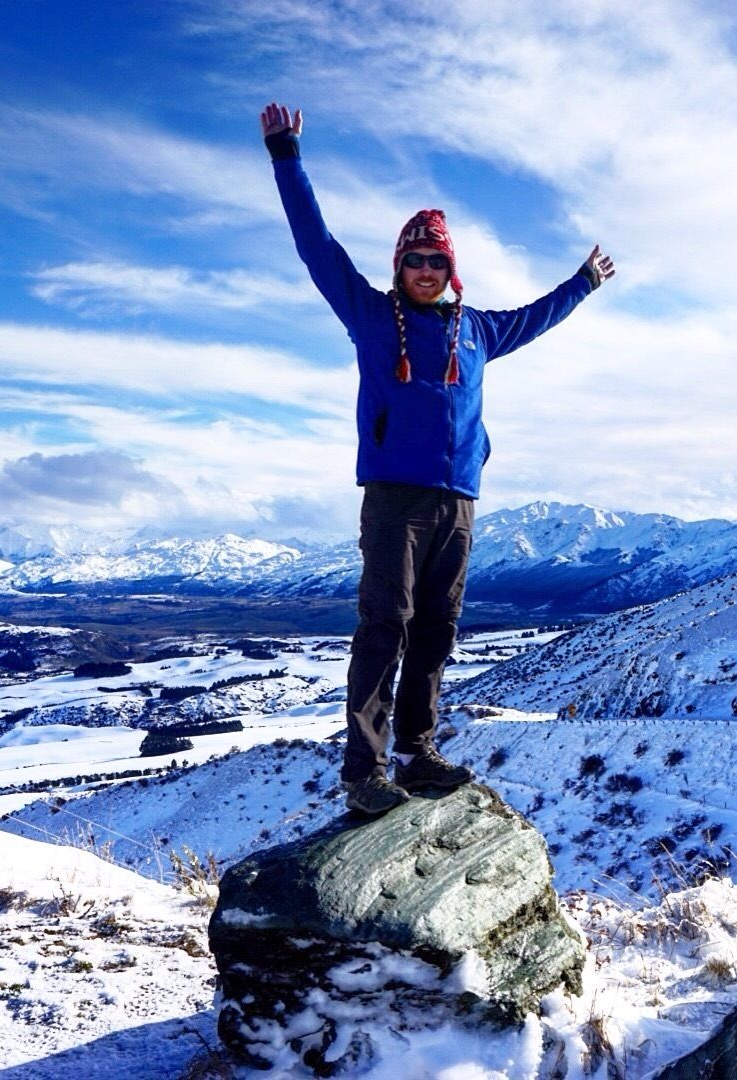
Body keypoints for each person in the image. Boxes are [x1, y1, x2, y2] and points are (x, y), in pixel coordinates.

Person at [260, 102, 615, 815]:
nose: (425, 269)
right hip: (394, 498)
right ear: (400, 265)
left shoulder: (477, 329)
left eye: (437, 261)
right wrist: (286, 156)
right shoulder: (369, 314)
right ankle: (365, 771)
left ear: (451, 270)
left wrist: (582, 283)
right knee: (383, 626)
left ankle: (417, 752)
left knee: (436, 630)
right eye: (414, 259)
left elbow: (537, 317)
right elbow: (316, 246)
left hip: (458, 501)